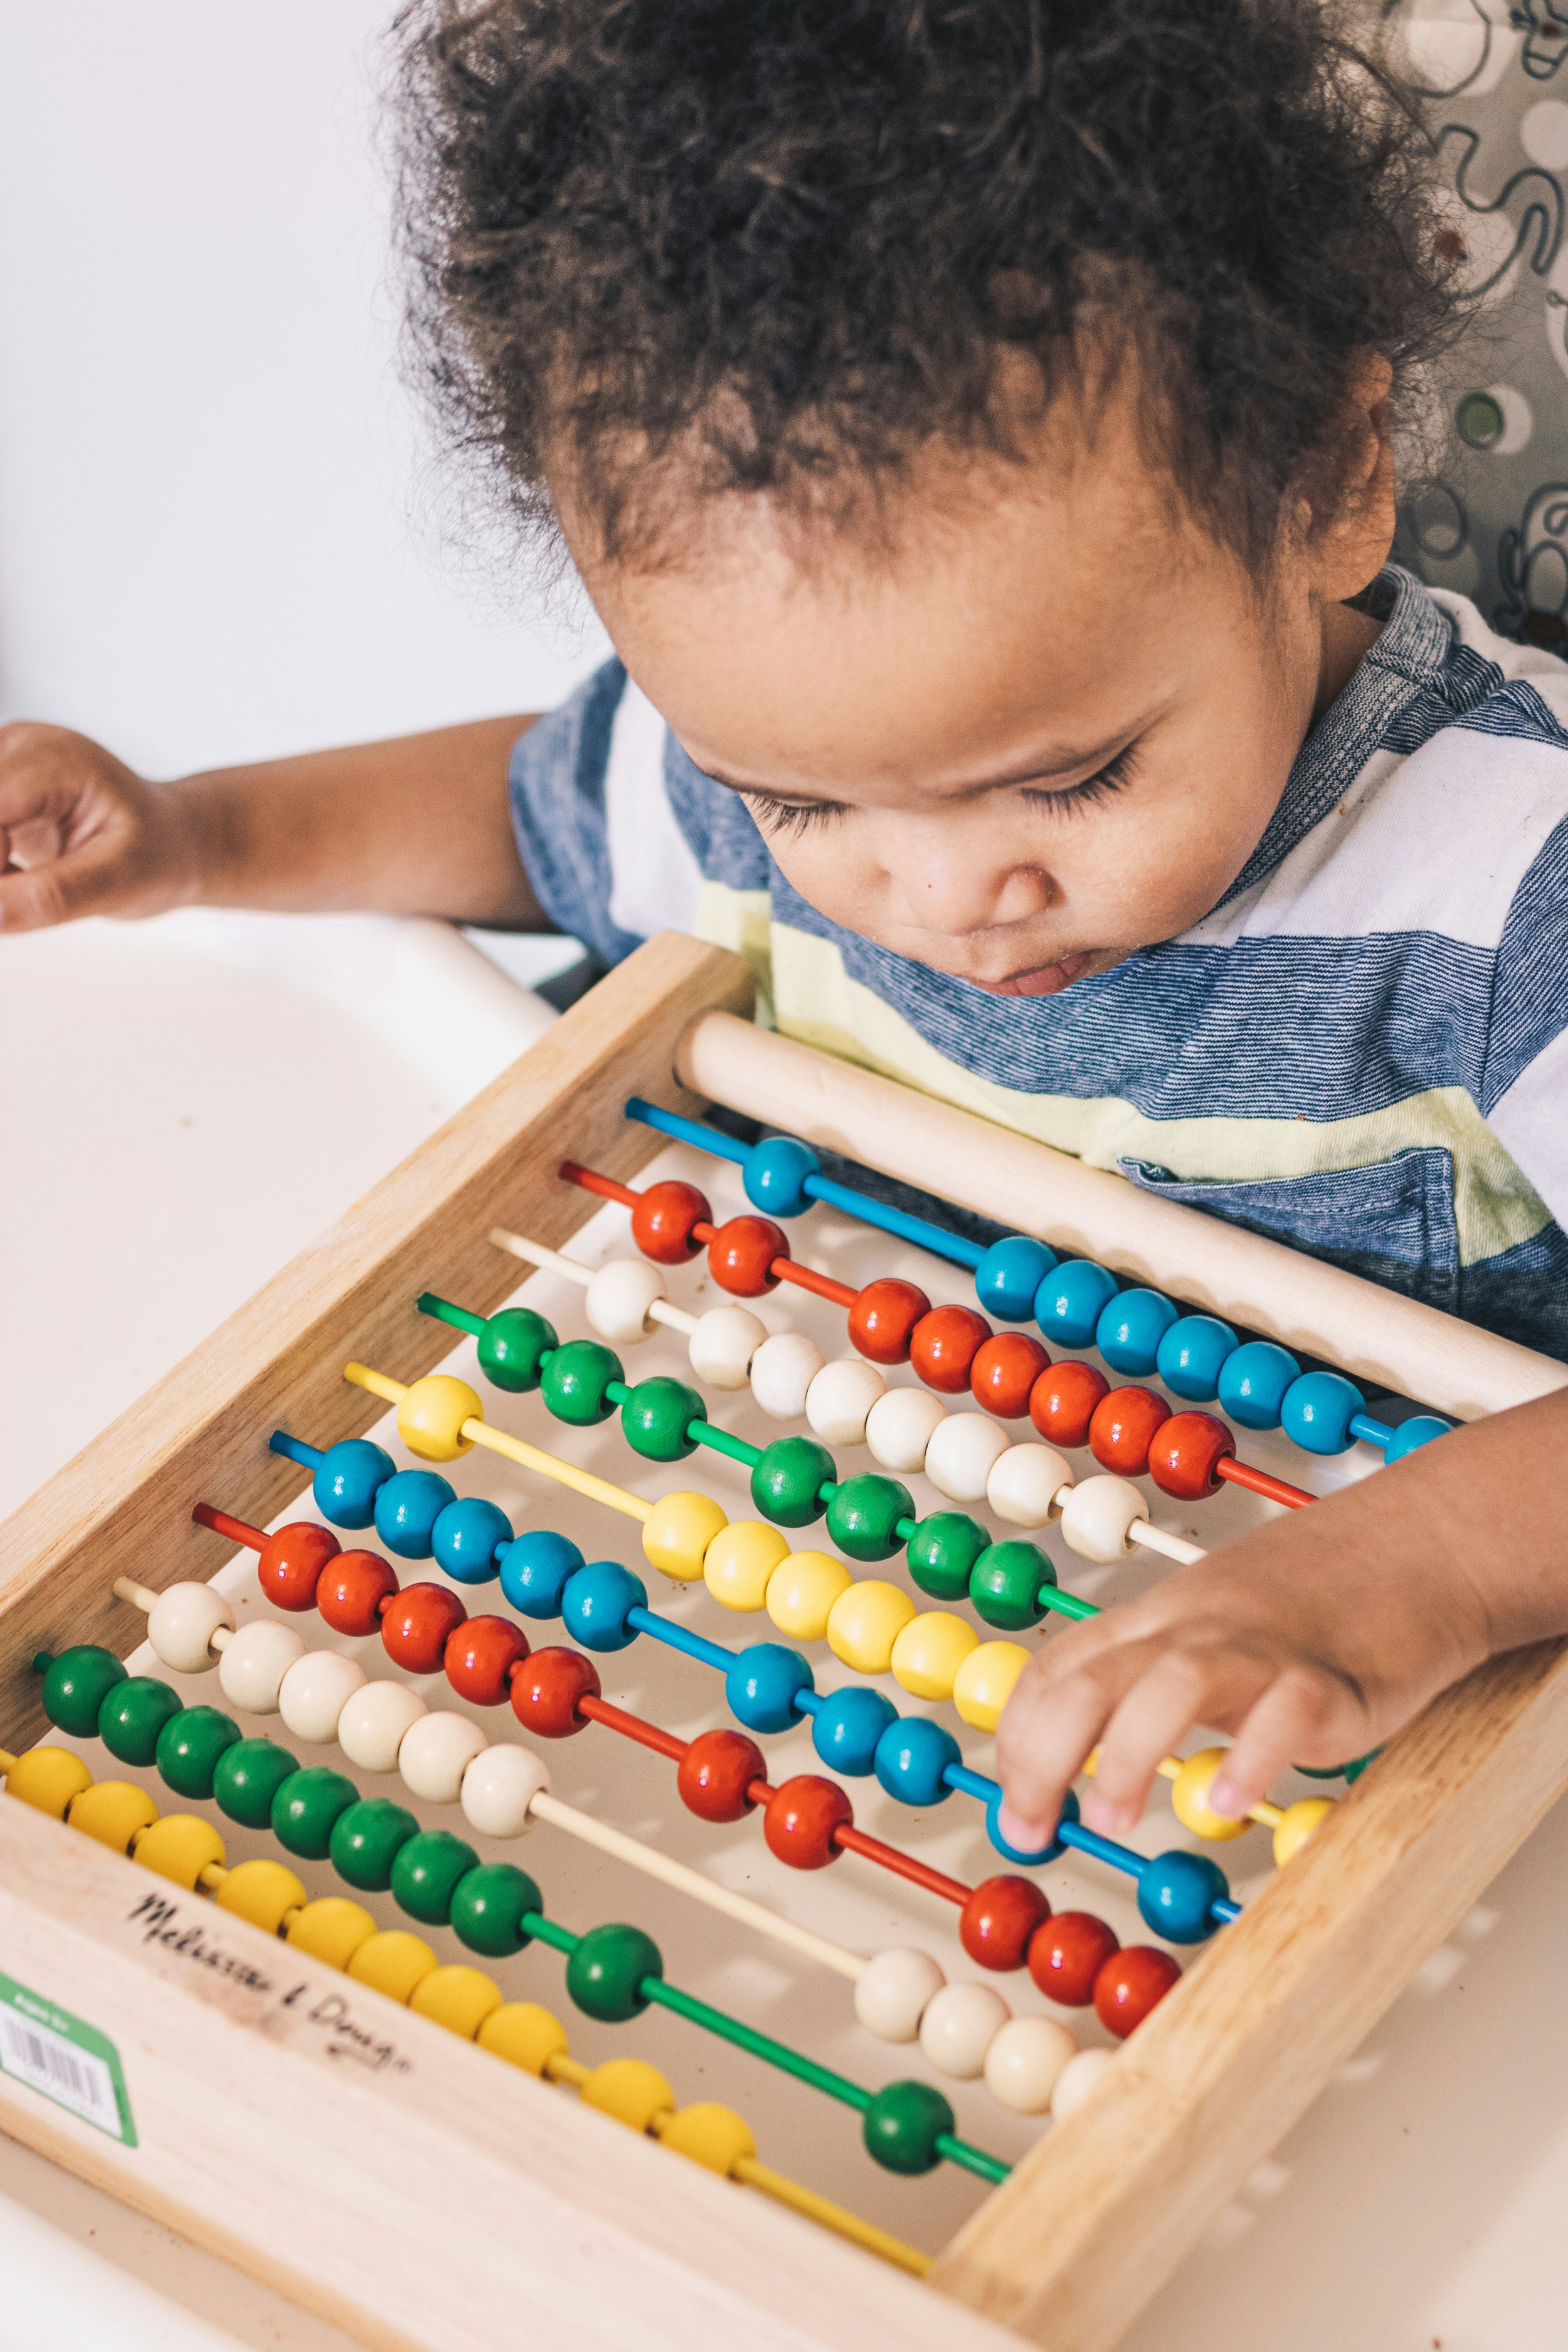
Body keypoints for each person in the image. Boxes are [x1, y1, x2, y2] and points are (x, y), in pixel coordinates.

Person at [4, 0, 1567, 1860]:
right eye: (805, 806)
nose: (934, 899)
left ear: (1327, 483)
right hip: (878, 1640)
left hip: (1342, 1738)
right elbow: (537, 808)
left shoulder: (1508, 899)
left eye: (1068, 781)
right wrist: (193, 836)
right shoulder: (752, 767)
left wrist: (1405, 1576)